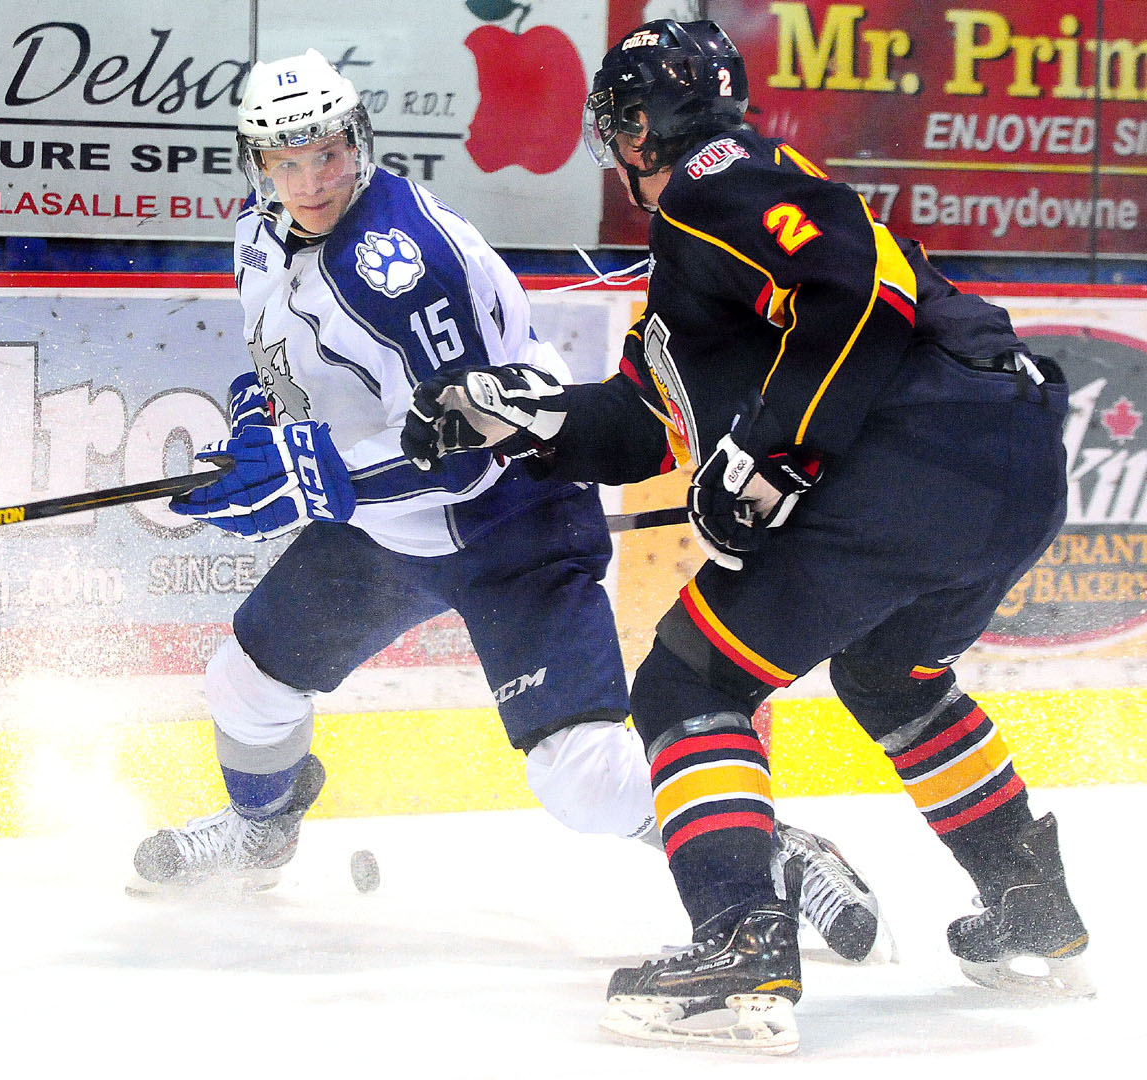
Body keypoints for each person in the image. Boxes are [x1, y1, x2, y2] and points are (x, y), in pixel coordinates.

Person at [401, 18, 1091, 1054]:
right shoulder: (706, 250)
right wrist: (518, 415)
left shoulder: (713, 183)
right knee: (891, 678)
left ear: (640, 127)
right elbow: (646, 424)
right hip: (1012, 461)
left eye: (618, 125)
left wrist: (779, 453)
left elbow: (861, 290)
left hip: (919, 456)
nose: (614, 147)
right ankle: (1030, 906)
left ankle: (738, 943)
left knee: (688, 683)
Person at [129, 46, 884, 965]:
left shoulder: (405, 263)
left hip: (512, 521)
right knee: (244, 683)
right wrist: (263, 425)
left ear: (358, 140)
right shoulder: (258, 233)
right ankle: (262, 834)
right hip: (382, 527)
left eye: (328, 153)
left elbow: (468, 452)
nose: (312, 180)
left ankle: (773, 850)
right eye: (287, 163)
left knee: (581, 781)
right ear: (255, 165)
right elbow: (283, 364)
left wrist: (312, 477)